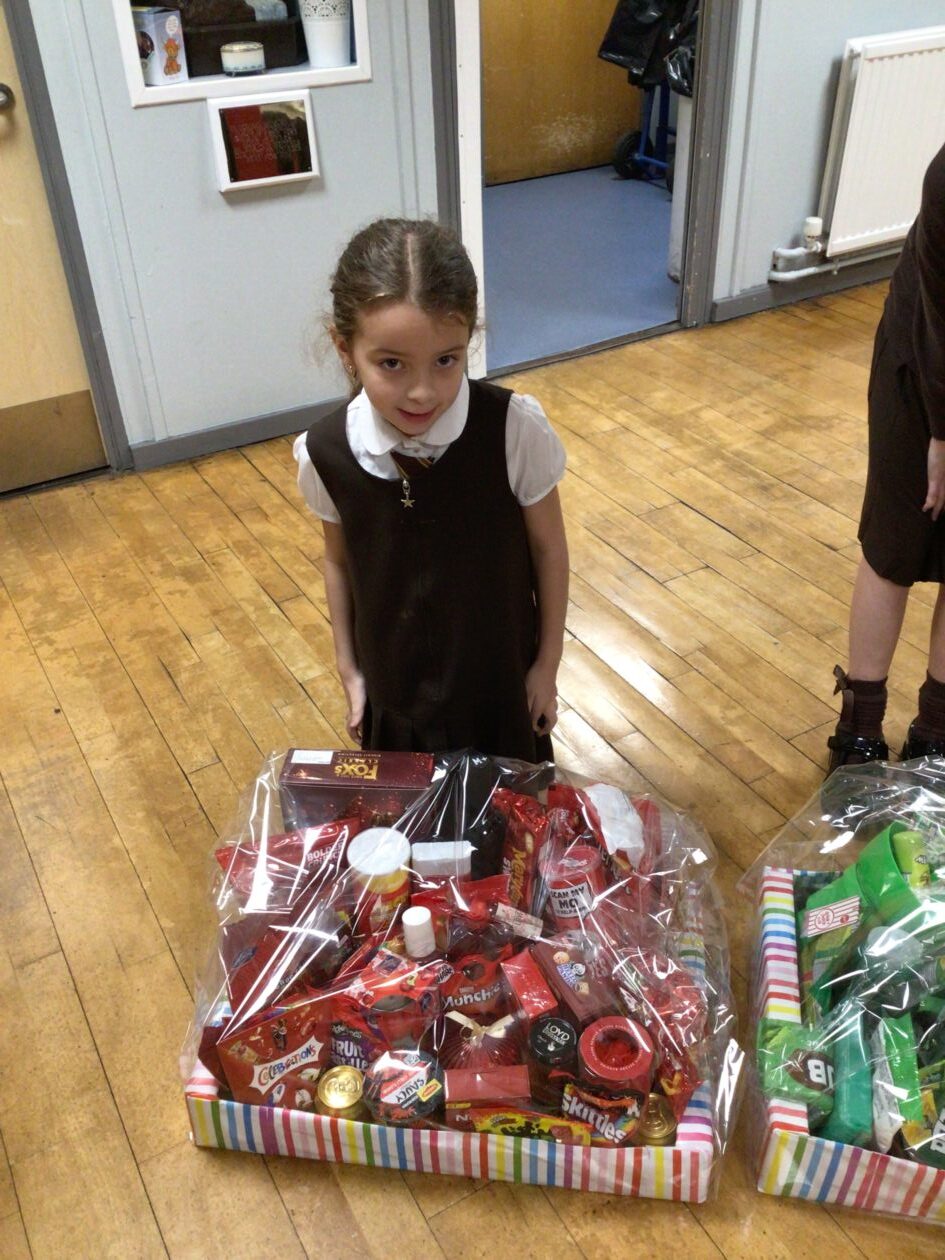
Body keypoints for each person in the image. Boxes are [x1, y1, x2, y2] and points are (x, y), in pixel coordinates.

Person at [293, 217, 569, 763]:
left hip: (502, 693)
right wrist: (349, 670)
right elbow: (339, 562)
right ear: (345, 348)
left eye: (446, 360)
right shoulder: (324, 451)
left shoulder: (514, 429)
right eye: (391, 364)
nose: (422, 392)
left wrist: (547, 665)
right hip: (395, 701)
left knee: (512, 816)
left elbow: (549, 549)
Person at [828, 140, 945, 772]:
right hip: (923, 354)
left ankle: (937, 730)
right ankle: (860, 729)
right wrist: (942, 435)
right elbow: (939, 319)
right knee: (895, 542)